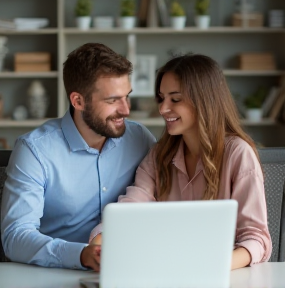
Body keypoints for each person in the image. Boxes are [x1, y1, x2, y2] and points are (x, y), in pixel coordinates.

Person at [89, 53, 272, 271]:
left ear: (204, 100)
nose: (163, 108)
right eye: (161, 98)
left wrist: (211, 266)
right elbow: (131, 208)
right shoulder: (160, 155)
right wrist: (99, 242)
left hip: (224, 278)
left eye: (175, 99)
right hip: (168, 273)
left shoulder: (238, 154)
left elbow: (257, 239)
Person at [1, 43, 156, 270]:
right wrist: (80, 255)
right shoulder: (35, 150)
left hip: (130, 269)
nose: (125, 110)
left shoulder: (139, 138)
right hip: (55, 275)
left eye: (127, 97)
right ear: (78, 101)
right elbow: (15, 237)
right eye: (112, 100)